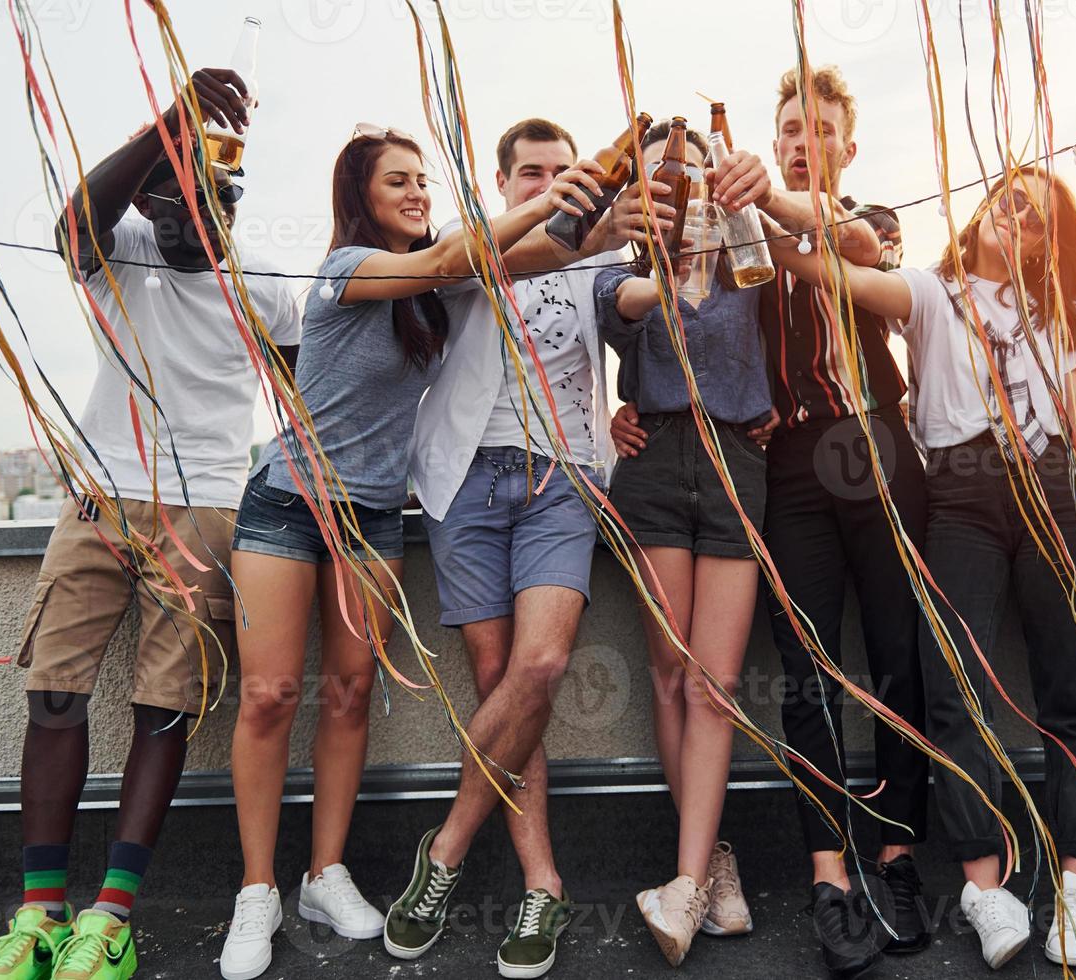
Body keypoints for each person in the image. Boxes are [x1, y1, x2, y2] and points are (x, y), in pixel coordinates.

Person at [216, 124, 607, 980]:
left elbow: (530, 258)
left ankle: (324, 874)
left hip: (376, 519)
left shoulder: (440, 289)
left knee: (351, 693)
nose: (418, 191)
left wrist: (617, 210)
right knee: (272, 695)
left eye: (423, 179)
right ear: (361, 195)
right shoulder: (348, 267)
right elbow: (443, 259)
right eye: (399, 180)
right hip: (288, 502)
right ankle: (256, 889)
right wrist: (552, 192)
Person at [0, 68, 300, 980]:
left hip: (208, 509)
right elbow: (77, 215)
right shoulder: (119, 250)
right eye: (173, 201)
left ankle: (109, 919)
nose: (193, 220)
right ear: (147, 206)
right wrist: (168, 122)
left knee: (164, 707)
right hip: (99, 498)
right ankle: (40, 915)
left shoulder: (266, 282)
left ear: (233, 206)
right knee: (54, 692)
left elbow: (306, 399)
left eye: (213, 201)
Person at [772, 163, 1076, 969]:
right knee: (958, 689)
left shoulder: (1057, 311)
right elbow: (825, 269)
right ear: (979, 212)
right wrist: (763, 207)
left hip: (1053, 492)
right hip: (962, 494)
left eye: (1037, 217)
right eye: (1007, 201)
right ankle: (984, 887)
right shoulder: (932, 292)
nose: (1017, 219)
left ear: (1049, 241)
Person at [616, 66, 931, 978]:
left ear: (846, 146)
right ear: (775, 131)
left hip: (870, 446)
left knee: (897, 653)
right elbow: (682, 329)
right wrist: (624, 408)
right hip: (783, 463)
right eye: (791, 127)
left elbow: (865, 248)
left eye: (820, 130)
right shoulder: (731, 225)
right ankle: (827, 870)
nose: (803, 140)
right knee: (806, 668)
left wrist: (782, 202)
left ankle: (898, 856)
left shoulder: (858, 210)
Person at [385, 117, 644, 979]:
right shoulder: (467, 244)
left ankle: (447, 850)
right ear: (502, 183)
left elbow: (636, 309)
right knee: (500, 688)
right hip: (464, 480)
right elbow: (506, 261)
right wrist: (577, 231)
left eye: (564, 171)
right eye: (530, 173)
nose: (548, 184)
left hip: (562, 478)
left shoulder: (602, 256)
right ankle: (542, 882)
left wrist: (635, 401)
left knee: (537, 672)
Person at [594, 119, 775, 966]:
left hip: (736, 459)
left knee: (717, 682)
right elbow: (622, 307)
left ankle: (690, 877)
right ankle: (704, 869)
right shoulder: (623, 269)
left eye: (693, 168)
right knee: (670, 674)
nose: (679, 182)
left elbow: (845, 238)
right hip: (655, 463)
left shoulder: (753, 248)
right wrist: (657, 264)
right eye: (661, 174)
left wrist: (760, 188)